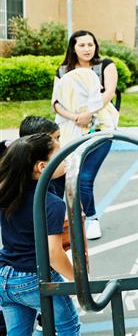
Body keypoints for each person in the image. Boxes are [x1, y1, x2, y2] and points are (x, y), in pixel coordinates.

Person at [0, 134, 81, 335]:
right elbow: (53, 254)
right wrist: (78, 279)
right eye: (61, 156)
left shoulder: (9, 191)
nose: (66, 160)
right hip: (33, 278)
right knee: (68, 328)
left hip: (4, 278)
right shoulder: (51, 204)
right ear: (43, 167)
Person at [51, 30, 119, 240]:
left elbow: (108, 93)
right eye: (82, 45)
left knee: (85, 177)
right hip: (70, 130)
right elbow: (55, 103)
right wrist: (75, 116)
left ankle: (91, 218)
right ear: (73, 48)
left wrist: (89, 113)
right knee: (60, 175)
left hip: (100, 129)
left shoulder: (105, 65)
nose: (87, 49)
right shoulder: (63, 71)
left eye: (91, 44)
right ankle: (61, 218)